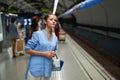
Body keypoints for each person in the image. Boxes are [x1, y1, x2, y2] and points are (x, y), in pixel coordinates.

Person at [25, 13, 58, 80]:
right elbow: (27, 50)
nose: (54, 21)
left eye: (55, 20)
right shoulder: (37, 34)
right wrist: (44, 54)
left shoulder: (55, 38)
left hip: (47, 69)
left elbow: (54, 50)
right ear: (45, 21)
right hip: (35, 68)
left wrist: (53, 53)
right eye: (51, 19)